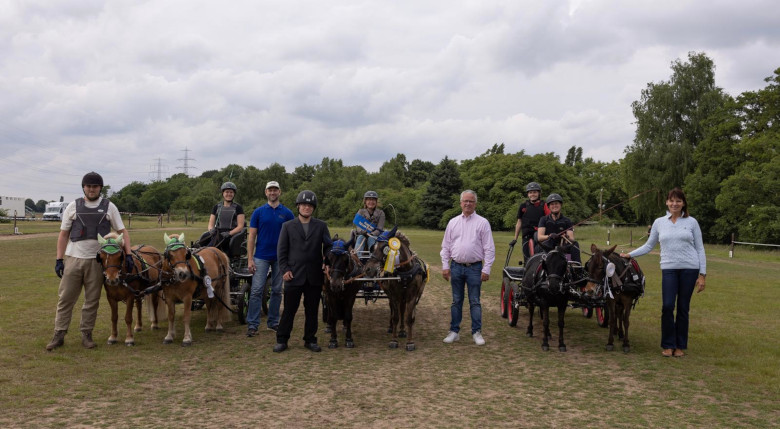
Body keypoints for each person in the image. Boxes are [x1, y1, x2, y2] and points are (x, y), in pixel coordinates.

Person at [46, 172, 132, 351]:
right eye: (88, 186)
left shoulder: (109, 207)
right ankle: (59, 334)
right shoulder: (73, 206)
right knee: (65, 298)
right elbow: (63, 235)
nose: (91, 189)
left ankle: (87, 334)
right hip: (74, 259)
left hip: (97, 263)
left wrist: (128, 254)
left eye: (95, 186)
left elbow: (123, 231)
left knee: (91, 301)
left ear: (100, 188)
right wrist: (59, 259)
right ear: (83, 187)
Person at [619, 187, 706, 358]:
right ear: (667, 202)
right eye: (672, 200)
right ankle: (668, 344)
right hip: (669, 269)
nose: (675, 204)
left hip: (690, 268)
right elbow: (649, 246)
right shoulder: (659, 222)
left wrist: (702, 274)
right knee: (667, 306)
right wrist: (630, 254)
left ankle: (679, 346)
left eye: (678, 201)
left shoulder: (692, 222)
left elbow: (700, 248)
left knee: (682, 308)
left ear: (683, 203)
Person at [273, 190, 332, 353]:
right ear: (298, 206)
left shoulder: (321, 226)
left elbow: (328, 247)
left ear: (313, 208)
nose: (306, 207)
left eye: (310, 205)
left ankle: (310, 339)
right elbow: (281, 251)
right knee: (289, 310)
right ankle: (282, 339)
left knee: (312, 310)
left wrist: (327, 262)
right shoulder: (287, 226)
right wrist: (284, 269)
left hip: (314, 276)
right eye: (304, 205)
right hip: (293, 275)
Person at [440, 190, 495, 346]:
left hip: (475, 268)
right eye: (465, 201)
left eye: (471, 201)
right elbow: (446, 246)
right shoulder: (453, 222)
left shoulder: (482, 222)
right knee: (456, 301)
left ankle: (476, 332)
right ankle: (454, 331)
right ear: (460, 203)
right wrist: (445, 266)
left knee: (475, 301)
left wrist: (487, 269)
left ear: (475, 204)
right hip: (456, 266)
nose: (468, 204)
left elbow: (489, 248)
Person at [245, 181, 295, 337]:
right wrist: (250, 259)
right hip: (261, 257)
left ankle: (273, 322)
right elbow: (252, 236)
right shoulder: (258, 212)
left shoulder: (287, 213)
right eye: (270, 190)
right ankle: (253, 324)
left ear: (279, 192)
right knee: (256, 291)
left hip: (281, 257)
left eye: (275, 190)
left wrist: (291, 260)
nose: (272, 192)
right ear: (266, 192)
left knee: (277, 291)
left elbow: (293, 237)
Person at [510, 182, 550, 262]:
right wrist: (515, 239)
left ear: (539, 193)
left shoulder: (545, 205)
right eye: (530, 192)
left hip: (540, 237)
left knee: (540, 259)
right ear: (528, 194)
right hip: (526, 237)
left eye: (535, 192)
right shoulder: (523, 206)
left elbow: (549, 220)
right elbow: (519, 222)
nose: (532, 194)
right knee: (527, 260)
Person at [536, 193, 581, 264]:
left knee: (575, 245)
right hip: (548, 244)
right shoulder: (544, 219)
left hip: (562, 246)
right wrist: (549, 236)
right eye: (552, 204)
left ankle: (577, 268)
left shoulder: (567, 220)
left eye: (556, 203)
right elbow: (539, 237)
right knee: (539, 246)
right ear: (549, 206)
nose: (554, 206)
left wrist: (567, 237)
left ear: (560, 205)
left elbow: (572, 239)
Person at [206, 181, 245, 256]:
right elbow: (210, 224)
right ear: (223, 193)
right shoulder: (216, 207)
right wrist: (211, 230)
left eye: (231, 192)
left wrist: (229, 233)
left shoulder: (238, 208)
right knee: (204, 238)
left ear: (234, 194)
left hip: (231, 234)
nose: (229, 194)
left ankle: (208, 253)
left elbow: (240, 226)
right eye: (227, 192)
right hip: (217, 233)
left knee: (218, 241)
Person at [353, 190, 386, 255]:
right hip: (362, 234)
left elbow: (380, 228)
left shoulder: (381, 213)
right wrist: (363, 232)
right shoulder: (360, 212)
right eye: (369, 200)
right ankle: (356, 258)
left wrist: (372, 234)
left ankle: (373, 259)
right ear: (365, 201)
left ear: (376, 202)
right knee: (360, 237)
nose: (371, 202)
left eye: (373, 200)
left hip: (375, 236)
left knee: (371, 239)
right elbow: (358, 227)